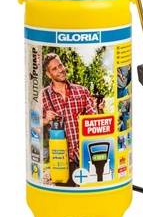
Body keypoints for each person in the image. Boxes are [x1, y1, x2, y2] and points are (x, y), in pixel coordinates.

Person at [40, 53, 105, 186]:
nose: (60, 70)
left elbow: (94, 121)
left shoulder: (82, 91)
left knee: (89, 193)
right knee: (65, 194)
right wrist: (45, 120)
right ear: (48, 74)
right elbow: (32, 125)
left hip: (84, 156)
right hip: (61, 160)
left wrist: (99, 109)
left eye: (60, 66)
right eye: (54, 69)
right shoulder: (43, 96)